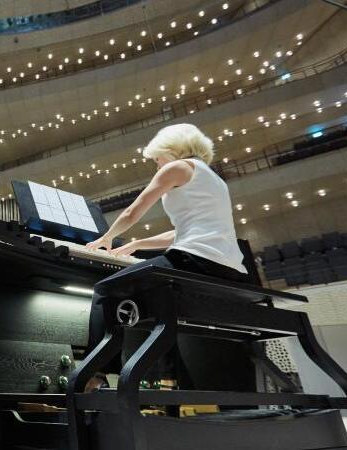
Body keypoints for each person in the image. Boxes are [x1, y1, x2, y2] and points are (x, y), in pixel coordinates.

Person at [84, 123, 249, 391]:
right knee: (142, 298)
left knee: (106, 289)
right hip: (230, 270)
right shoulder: (215, 179)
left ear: (170, 149)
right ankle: (152, 379)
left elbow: (132, 212)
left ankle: (95, 375)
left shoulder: (178, 168)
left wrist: (106, 238)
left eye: (156, 158)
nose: (156, 165)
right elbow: (182, 231)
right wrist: (138, 243)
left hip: (194, 261)